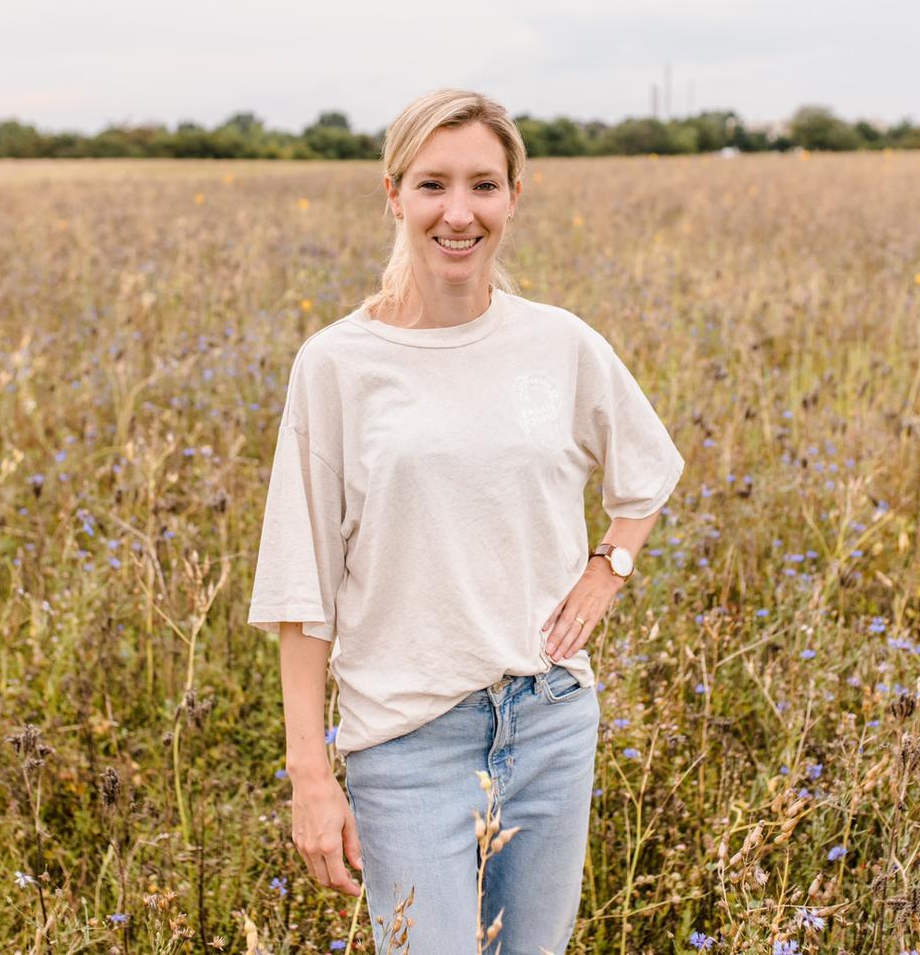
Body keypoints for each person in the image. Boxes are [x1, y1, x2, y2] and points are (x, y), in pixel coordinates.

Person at [247, 88, 684, 953]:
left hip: (551, 719)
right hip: (407, 741)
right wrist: (309, 774)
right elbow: (303, 586)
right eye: (432, 185)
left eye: (483, 185)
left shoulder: (560, 344)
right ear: (393, 194)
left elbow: (647, 474)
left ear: (514, 197)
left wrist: (609, 569)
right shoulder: (336, 364)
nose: (459, 213)